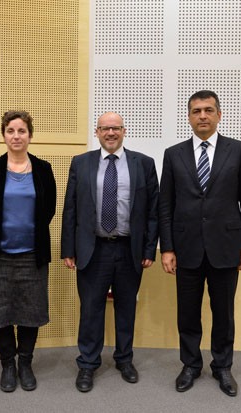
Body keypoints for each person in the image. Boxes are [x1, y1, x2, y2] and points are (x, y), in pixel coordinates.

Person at [158, 90, 241, 397]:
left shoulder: (239, 151)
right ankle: (190, 365)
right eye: (196, 111)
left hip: (226, 247)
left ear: (219, 114)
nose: (202, 115)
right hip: (186, 247)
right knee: (187, 313)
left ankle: (222, 366)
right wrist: (167, 248)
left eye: (208, 110)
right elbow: (166, 204)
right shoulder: (173, 154)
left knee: (224, 312)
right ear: (189, 117)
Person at [61, 112, 159, 392]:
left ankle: (124, 359)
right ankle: (87, 364)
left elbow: (153, 211)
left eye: (116, 128)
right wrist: (69, 249)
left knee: (126, 308)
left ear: (124, 131)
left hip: (130, 249)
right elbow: (71, 208)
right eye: (105, 128)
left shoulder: (144, 163)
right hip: (93, 249)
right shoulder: (81, 163)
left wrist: (149, 248)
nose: (111, 133)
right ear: (97, 132)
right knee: (91, 310)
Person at [0, 110, 56, 393]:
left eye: (21, 131)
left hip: (32, 255)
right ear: (3, 135)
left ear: (30, 135)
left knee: (30, 312)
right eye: (11, 131)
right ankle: (8, 364)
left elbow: (48, 210)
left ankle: (25, 364)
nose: (16, 136)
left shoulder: (43, 169)